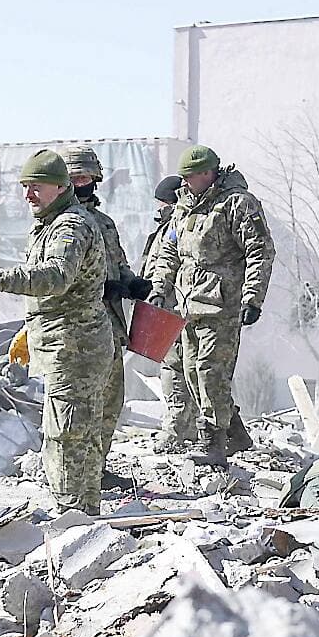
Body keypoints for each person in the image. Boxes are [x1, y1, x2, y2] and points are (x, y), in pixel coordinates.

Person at [0, 150, 111, 514]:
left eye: (37, 187)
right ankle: (82, 512)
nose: (29, 195)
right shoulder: (49, 223)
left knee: (67, 435)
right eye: (26, 187)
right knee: (76, 432)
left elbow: (56, 277)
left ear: (60, 187)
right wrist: (30, 331)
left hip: (76, 346)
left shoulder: (70, 226)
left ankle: (73, 514)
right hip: (65, 341)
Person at [147, 145, 275, 468]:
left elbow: (260, 251)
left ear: (209, 173)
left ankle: (213, 442)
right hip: (188, 305)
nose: (186, 183)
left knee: (210, 373)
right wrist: (159, 289)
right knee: (191, 373)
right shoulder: (183, 208)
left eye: (191, 177)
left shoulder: (237, 205)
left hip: (223, 305)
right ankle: (236, 432)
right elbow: (170, 252)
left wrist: (253, 297)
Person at [60, 144, 144, 470]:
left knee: (110, 400)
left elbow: (118, 263)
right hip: (76, 328)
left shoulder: (103, 222)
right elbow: (58, 277)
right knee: (81, 404)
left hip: (108, 324)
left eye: (86, 176)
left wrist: (131, 282)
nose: (82, 182)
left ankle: (96, 469)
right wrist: (100, 288)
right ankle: (75, 473)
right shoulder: (61, 224)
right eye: (74, 177)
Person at [139, 175, 199, 453]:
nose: (158, 208)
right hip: (164, 307)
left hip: (176, 309)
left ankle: (177, 431)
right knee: (177, 367)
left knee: (175, 368)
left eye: (162, 202)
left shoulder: (179, 228)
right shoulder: (167, 228)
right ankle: (187, 428)